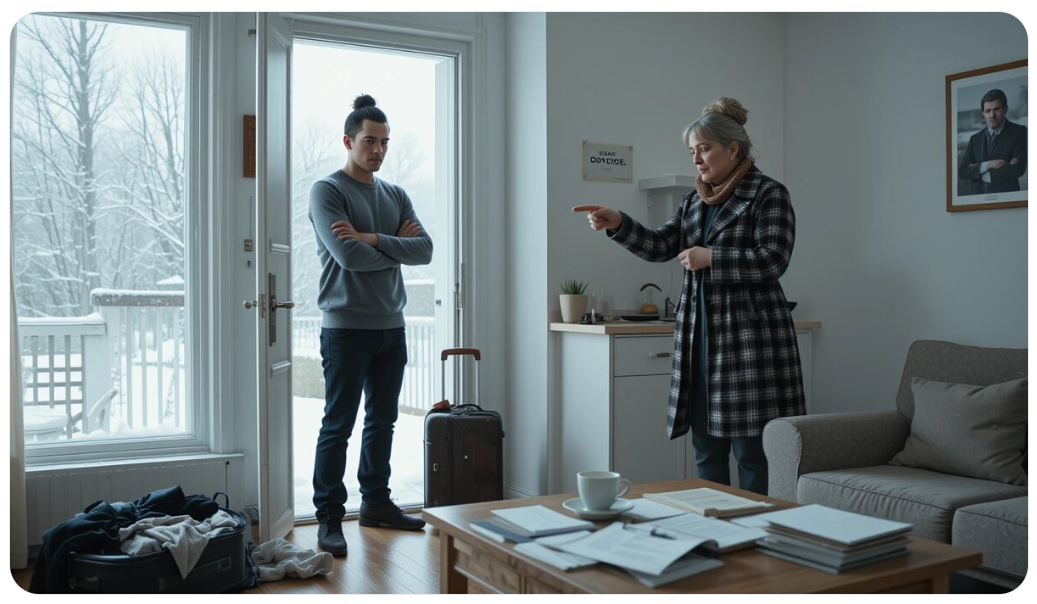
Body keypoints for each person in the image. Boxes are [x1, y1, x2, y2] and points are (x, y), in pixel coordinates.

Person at [573, 97, 804, 495]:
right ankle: (711, 524)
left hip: (749, 344)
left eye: (704, 149)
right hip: (699, 343)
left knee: (752, 453)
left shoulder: (769, 194)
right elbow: (661, 245)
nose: (696, 159)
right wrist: (619, 223)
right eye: (692, 151)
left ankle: (755, 528)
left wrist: (712, 258)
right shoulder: (695, 201)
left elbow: (773, 259)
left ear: (732, 149)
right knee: (706, 452)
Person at [308, 94, 433, 556]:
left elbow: (425, 250)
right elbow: (347, 256)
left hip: (391, 327)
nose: (378, 150)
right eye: (369, 141)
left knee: (383, 422)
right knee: (338, 424)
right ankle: (328, 517)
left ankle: (376, 504)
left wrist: (371, 238)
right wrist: (392, 246)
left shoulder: (395, 195)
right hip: (345, 328)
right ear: (348, 141)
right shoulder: (328, 191)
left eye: (384, 142)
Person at [957, 88, 1028, 195]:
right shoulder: (975, 139)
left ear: (1005, 109)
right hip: (977, 200)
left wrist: (979, 171)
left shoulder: (1019, 132)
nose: (992, 115)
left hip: (1007, 199)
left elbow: (1018, 169)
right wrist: (987, 165)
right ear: (983, 113)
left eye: (996, 109)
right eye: (988, 111)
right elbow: (963, 172)